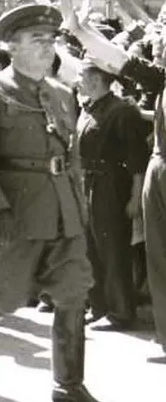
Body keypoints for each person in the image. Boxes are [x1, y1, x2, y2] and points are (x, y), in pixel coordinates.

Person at [0, 4, 98, 402]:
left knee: (73, 295)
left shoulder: (63, 95)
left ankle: (67, 385)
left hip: (65, 211)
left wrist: (81, 211)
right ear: (11, 46)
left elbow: (72, 156)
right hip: (17, 213)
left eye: (51, 40)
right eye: (37, 41)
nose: (48, 48)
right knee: (5, 297)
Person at [60, 0, 166, 359]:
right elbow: (124, 62)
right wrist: (78, 30)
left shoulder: (125, 107)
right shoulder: (160, 77)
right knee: (158, 258)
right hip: (158, 168)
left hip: (147, 171)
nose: (158, 43)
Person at [75, 60, 150, 330]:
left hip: (111, 186)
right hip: (88, 183)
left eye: (81, 76)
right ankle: (99, 306)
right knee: (91, 248)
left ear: (96, 80)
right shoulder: (88, 108)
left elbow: (136, 159)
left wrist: (134, 196)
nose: (77, 80)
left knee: (113, 250)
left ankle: (121, 312)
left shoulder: (122, 112)